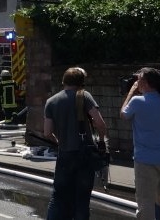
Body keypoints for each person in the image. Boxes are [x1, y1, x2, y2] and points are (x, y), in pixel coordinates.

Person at [44, 67, 108, 220]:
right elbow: (100, 123)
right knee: (82, 199)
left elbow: (47, 132)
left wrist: (59, 141)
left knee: (58, 197)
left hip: (64, 155)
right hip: (84, 155)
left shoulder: (51, 101)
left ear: (63, 81)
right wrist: (100, 141)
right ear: (82, 83)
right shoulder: (84, 96)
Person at [121, 67, 160, 220]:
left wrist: (131, 92)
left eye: (138, 79)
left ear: (145, 82)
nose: (136, 82)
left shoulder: (137, 101)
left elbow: (123, 115)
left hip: (146, 159)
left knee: (145, 200)